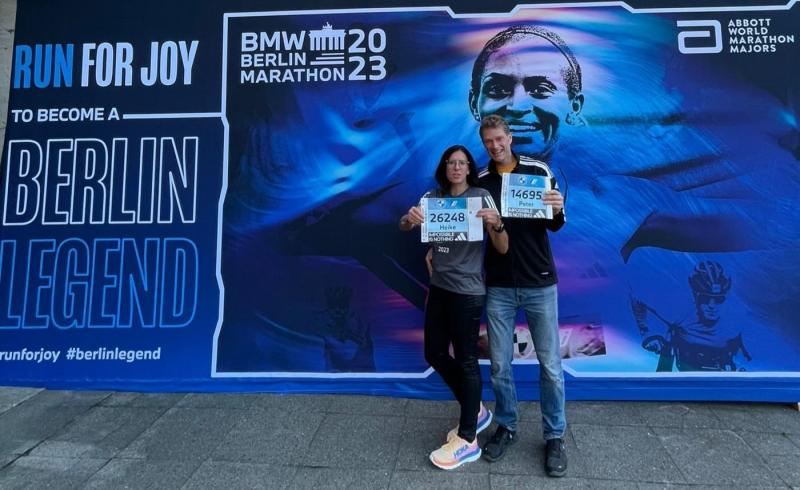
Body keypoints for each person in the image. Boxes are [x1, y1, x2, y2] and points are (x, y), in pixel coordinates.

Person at [399, 144, 508, 470]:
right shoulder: (432, 198)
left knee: (466, 360)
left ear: (469, 168)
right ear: (444, 168)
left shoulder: (480, 197)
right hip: (439, 288)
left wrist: (497, 224)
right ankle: (476, 410)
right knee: (434, 353)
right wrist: (409, 219)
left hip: (468, 292)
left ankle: (468, 439)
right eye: (451, 162)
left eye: (461, 163)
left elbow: (502, 248)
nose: (456, 167)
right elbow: (404, 225)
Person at [476, 114, 569, 477]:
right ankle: (507, 425)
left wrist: (557, 207)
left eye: (499, 139)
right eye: (488, 141)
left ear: (510, 137)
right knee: (499, 365)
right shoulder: (480, 181)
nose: (495, 146)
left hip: (539, 282)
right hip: (498, 284)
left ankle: (555, 435)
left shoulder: (537, 170)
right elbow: (466, 228)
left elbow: (555, 223)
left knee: (551, 367)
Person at [631, 261, 751, 372]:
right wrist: (647, 334)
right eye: (705, 298)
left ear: (725, 297)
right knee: (669, 337)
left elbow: (750, 354)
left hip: (723, 368)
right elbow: (636, 297)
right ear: (695, 295)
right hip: (686, 362)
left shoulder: (736, 320)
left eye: (719, 299)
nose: (712, 305)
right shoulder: (680, 313)